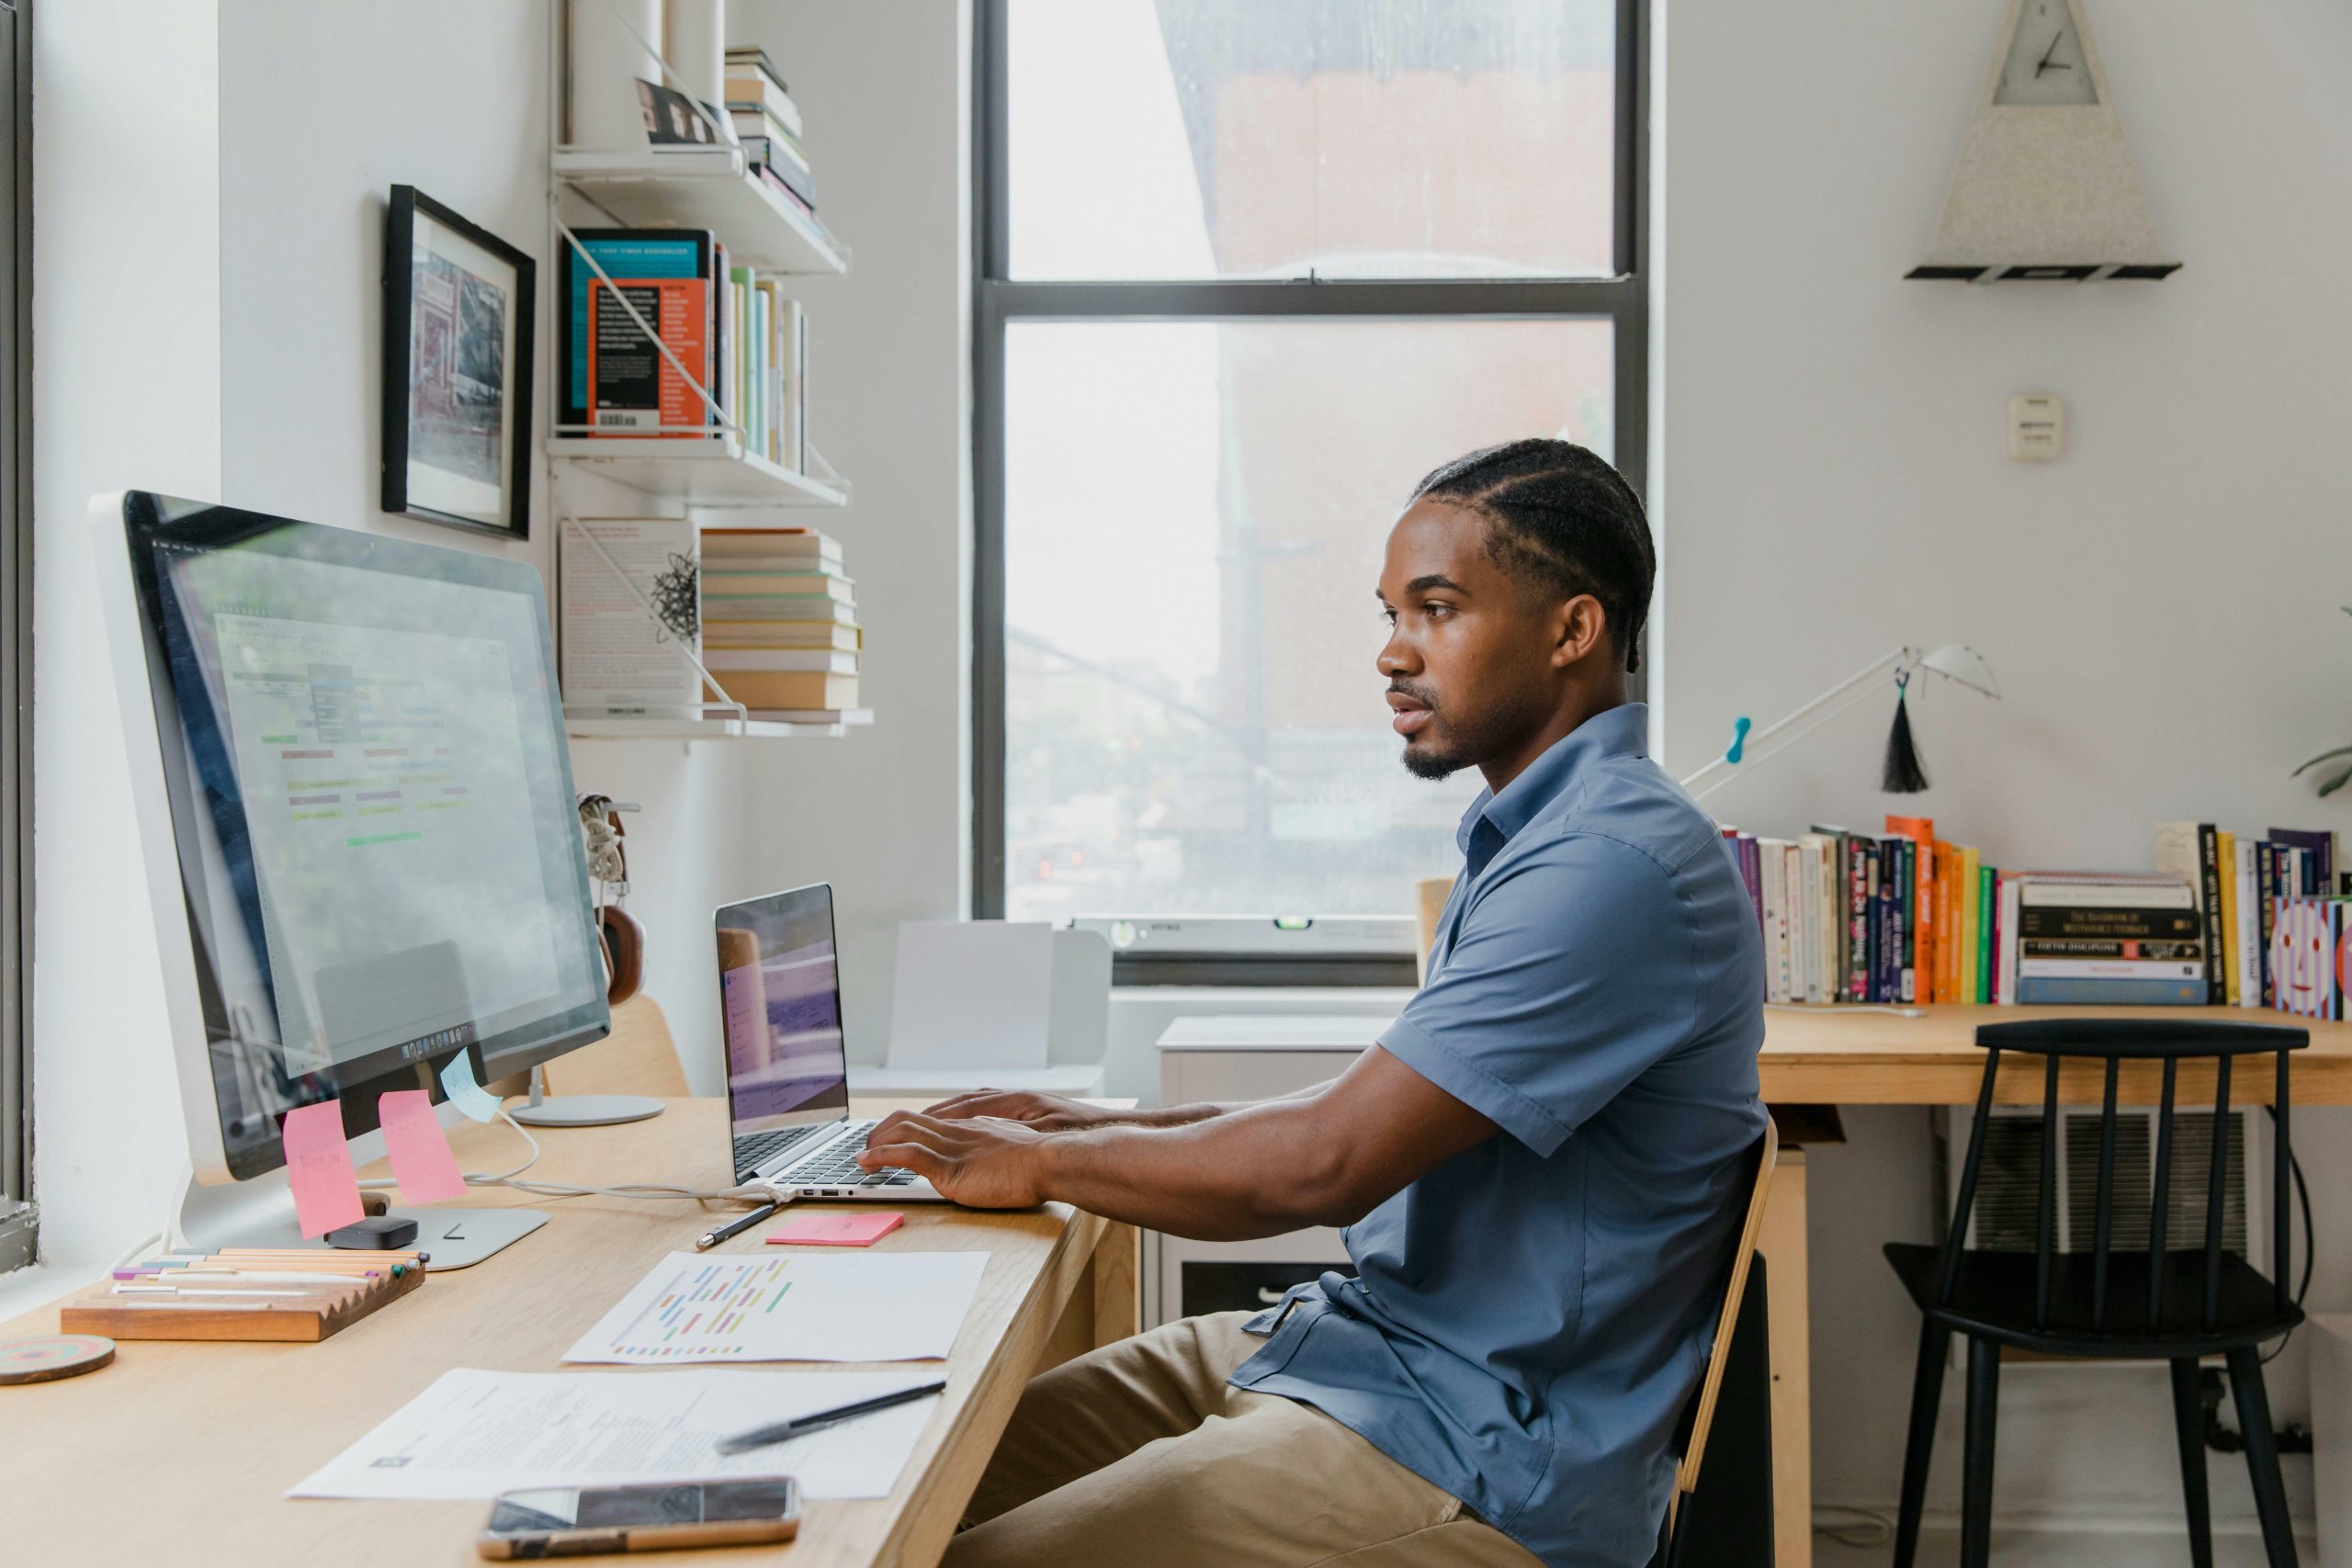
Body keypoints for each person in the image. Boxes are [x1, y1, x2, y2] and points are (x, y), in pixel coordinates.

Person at [860, 438, 1768, 1568]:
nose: (1391, 654)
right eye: (1390, 614)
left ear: (1571, 631)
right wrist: (1090, 1126)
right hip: (1364, 1355)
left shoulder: (1610, 866)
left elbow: (1320, 1165)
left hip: (1470, 1451)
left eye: (1435, 610)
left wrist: (1038, 1164)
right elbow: (1371, 1108)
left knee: (955, 1557)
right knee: (894, 1485)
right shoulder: (1540, 837)